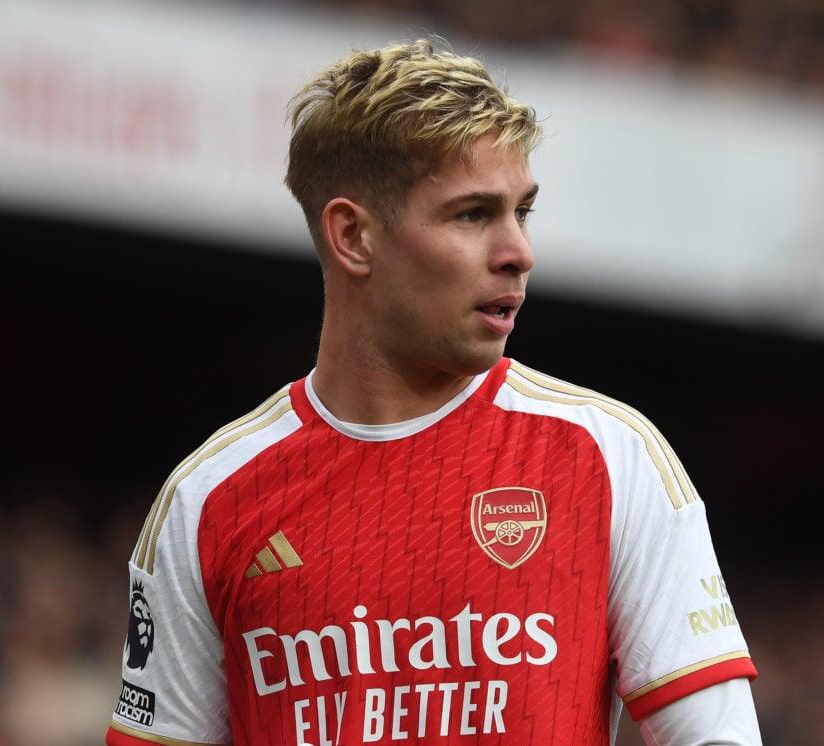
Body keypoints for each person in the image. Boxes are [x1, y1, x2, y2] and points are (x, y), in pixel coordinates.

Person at [105, 37, 761, 746]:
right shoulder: (208, 500)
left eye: (523, 212)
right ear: (353, 236)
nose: (519, 252)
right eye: (473, 215)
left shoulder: (610, 458)